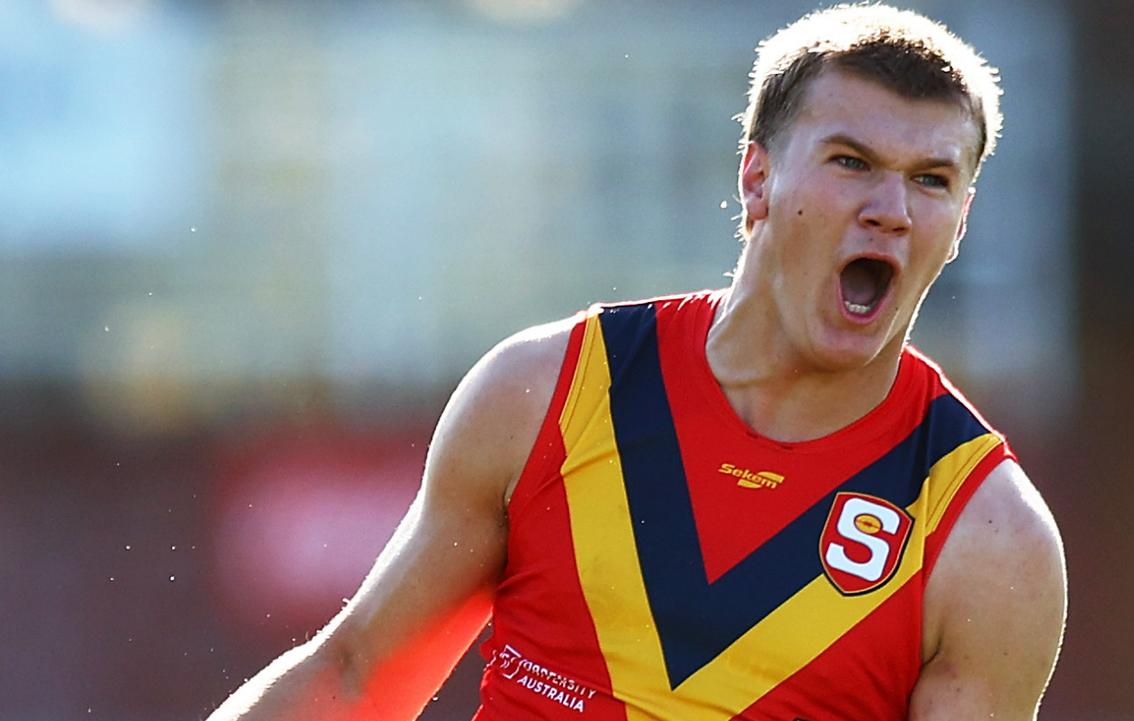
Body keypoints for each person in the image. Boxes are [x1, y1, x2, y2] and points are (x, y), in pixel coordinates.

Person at [206, 4, 1067, 720]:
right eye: (852, 163)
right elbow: (352, 678)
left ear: (960, 220)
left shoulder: (988, 538)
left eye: (930, 180)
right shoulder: (548, 390)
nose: (890, 209)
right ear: (756, 180)